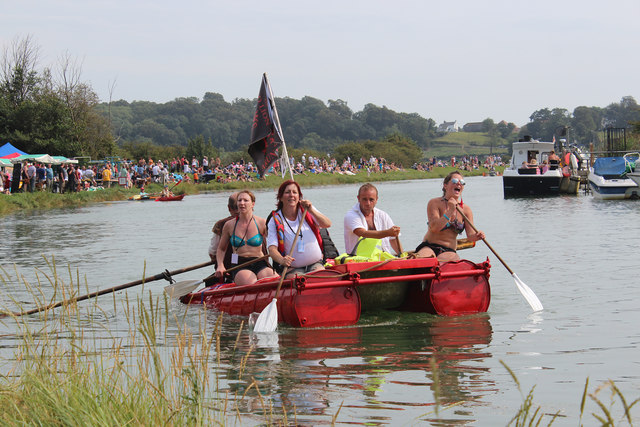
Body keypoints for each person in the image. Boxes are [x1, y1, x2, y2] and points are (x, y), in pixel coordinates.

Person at [267, 180, 331, 278]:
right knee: (299, 282)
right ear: (280, 197)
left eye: (295, 192)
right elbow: (272, 249)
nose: (291, 195)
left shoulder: (306, 210)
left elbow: (327, 224)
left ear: (299, 197)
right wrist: (282, 260)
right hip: (293, 269)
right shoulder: (275, 219)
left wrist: (311, 210)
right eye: (287, 192)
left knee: (320, 278)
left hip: (315, 263)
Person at [415, 172, 485, 262]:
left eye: (462, 182)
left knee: (446, 262)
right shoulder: (434, 203)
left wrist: (478, 236)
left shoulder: (466, 210)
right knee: (424, 260)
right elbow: (435, 228)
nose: (459, 183)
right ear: (445, 186)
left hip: (449, 250)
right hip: (429, 246)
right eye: (455, 181)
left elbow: (471, 237)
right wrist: (450, 211)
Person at [215, 190, 275, 285]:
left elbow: (274, 243)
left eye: (245, 200)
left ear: (252, 204)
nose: (242, 203)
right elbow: (221, 249)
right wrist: (220, 265)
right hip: (240, 264)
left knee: (274, 281)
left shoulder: (262, 222)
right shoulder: (229, 225)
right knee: (252, 283)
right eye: (239, 200)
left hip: (260, 262)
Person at [344, 183, 401, 255]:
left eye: (371, 200)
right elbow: (363, 234)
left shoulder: (383, 215)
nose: (368, 203)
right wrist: (388, 233)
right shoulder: (351, 215)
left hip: (383, 258)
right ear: (358, 199)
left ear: (376, 199)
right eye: (364, 199)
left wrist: (402, 256)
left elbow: (393, 239)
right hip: (358, 260)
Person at [208, 193, 239, 271]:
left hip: (229, 267)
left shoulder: (221, 224)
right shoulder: (258, 221)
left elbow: (213, 251)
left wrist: (215, 259)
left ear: (229, 208)